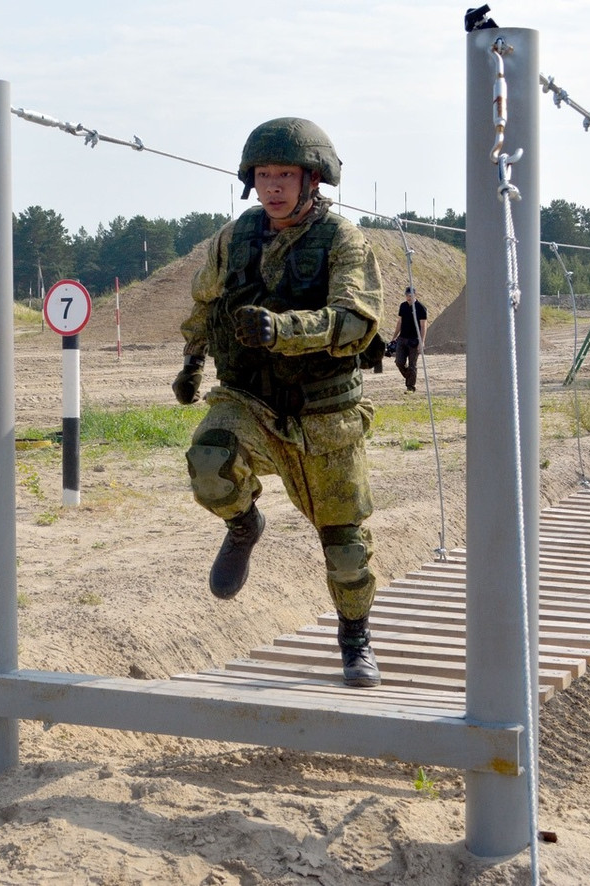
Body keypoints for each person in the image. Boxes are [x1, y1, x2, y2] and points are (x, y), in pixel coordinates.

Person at [171, 117, 384, 688]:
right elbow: (203, 304)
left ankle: (355, 637)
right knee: (209, 461)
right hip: (250, 402)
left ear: (312, 179)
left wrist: (282, 329)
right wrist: (192, 363)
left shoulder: (343, 241)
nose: (273, 186)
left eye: (284, 174)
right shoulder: (235, 238)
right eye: (264, 175)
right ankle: (244, 526)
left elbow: (356, 321)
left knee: (344, 550)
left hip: (325, 414)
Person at [390, 285, 427, 392]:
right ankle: (409, 377)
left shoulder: (421, 308)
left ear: (415, 295)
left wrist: (422, 341)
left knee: (412, 365)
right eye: (407, 295)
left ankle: (410, 387)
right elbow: (399, 322)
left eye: (410, 295)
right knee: (399, 362)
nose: (408, 297)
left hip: (414, 340)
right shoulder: (403, 306)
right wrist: (394, 337)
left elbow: (423, 326)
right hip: (402, 339)